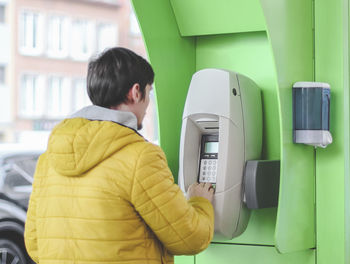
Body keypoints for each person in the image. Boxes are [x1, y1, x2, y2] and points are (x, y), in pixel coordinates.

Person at [24, 47, 214, 264]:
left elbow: (35, 243)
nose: (147, 105)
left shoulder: (48, 160)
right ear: (135, 92)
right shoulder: (141, 157)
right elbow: (190, 239)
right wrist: (200, 201)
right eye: (148, 92)